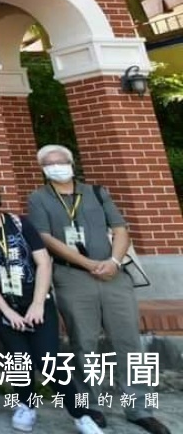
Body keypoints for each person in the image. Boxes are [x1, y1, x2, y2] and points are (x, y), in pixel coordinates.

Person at [26, 145, 167, 434]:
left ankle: (139, 408)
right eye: (49, 163)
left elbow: (120, 228)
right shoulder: (38, 198)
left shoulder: (97, 193)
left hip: (113, 275)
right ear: (43, 169)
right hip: (73, 276)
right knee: (83, 343)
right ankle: (91, 405)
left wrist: (114, 261)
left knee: (129, 342)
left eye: (61, 161)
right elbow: (44, 237)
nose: (57, 166)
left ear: (71, 162)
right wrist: (87, 263)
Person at [0, 174, 102, 434]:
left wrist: (38, 303)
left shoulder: (19, 222)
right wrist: (6, 311)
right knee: (18, 358)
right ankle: (27, 404)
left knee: (49, 358)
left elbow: (43, 262)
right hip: (1, 302)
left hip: (35, 297)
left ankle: (80, 415)